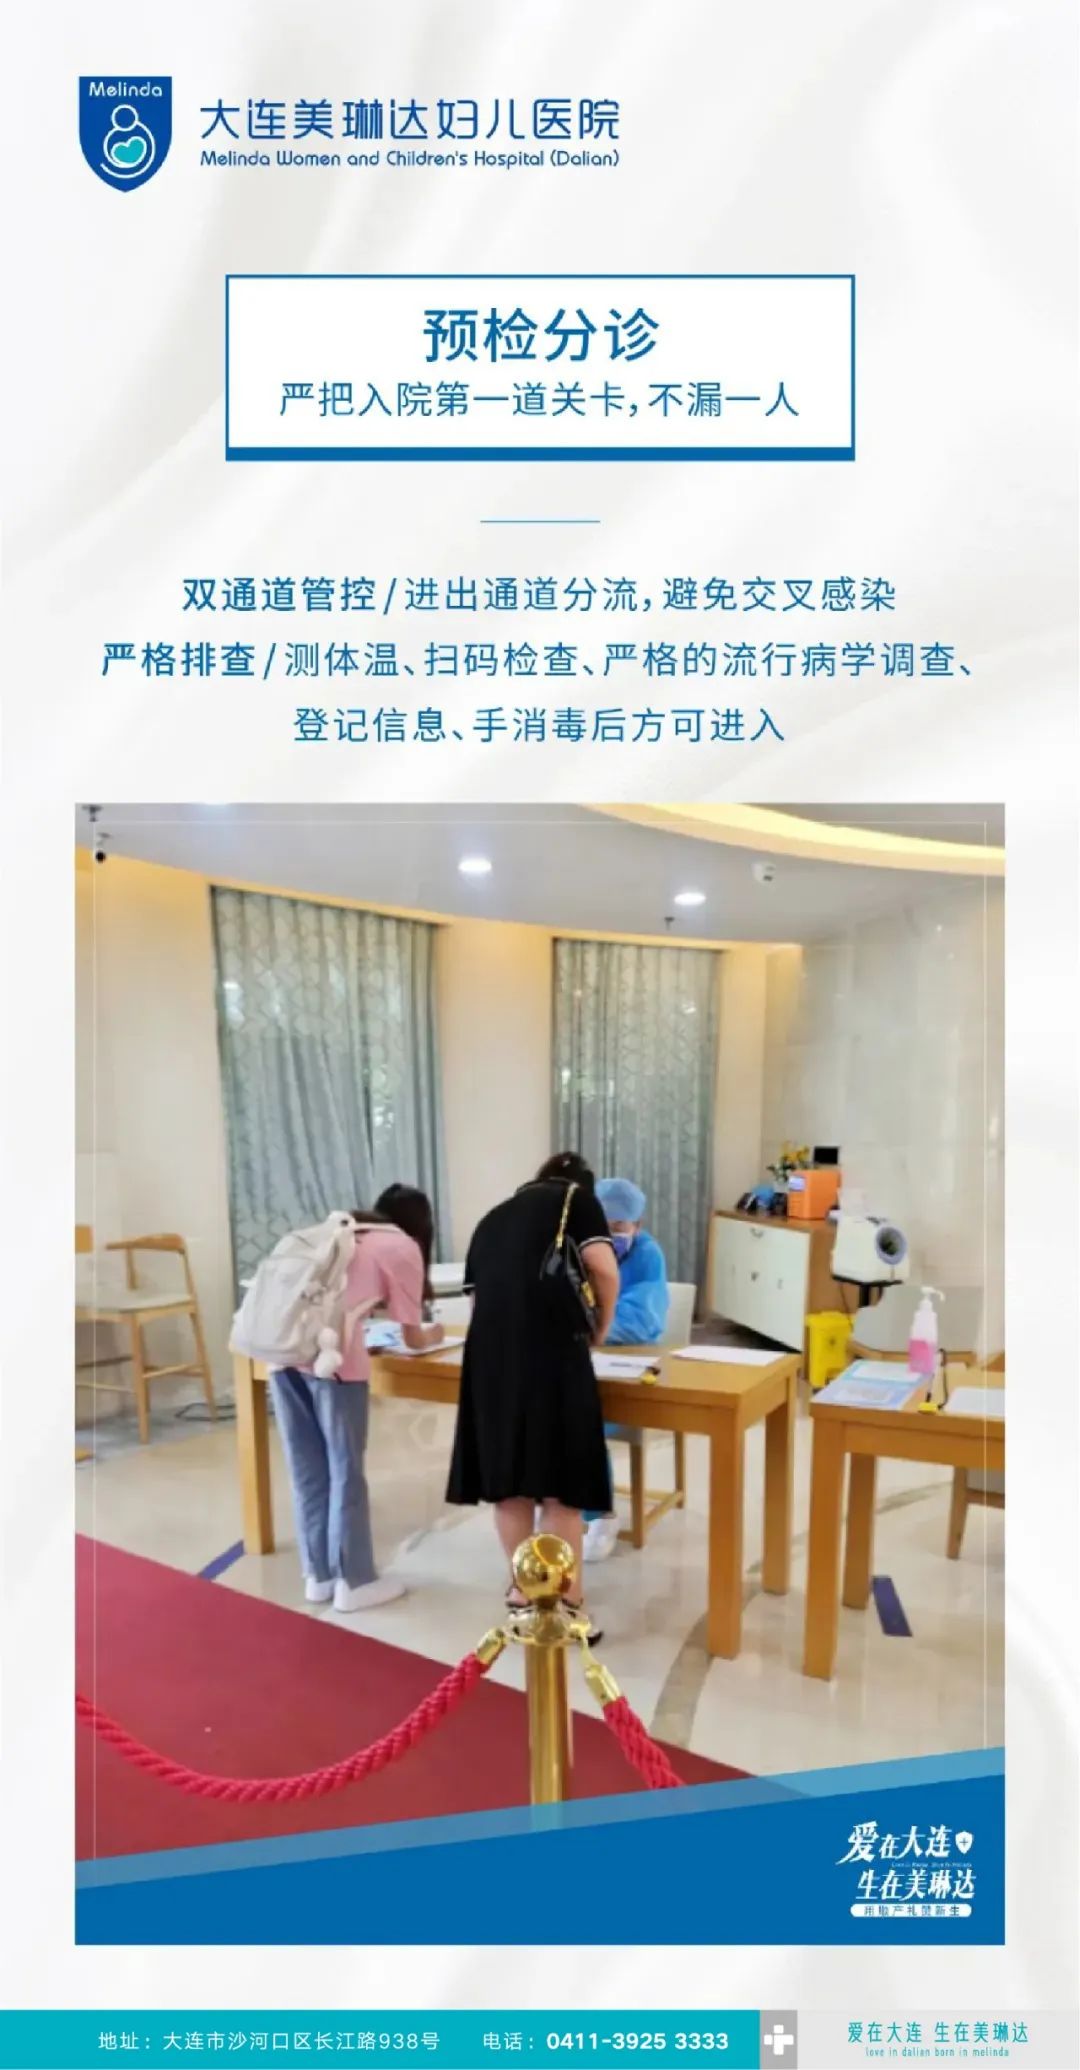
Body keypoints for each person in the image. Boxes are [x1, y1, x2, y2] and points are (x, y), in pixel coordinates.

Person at [446, 1151, 619, 1630]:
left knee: (512, 1486)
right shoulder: (577, 1200)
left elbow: (478, 1300)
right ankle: (568, 1605)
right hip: (552, 1355)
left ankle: (524, 1595)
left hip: (489, 1361)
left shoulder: (492, 1218)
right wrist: (600, 1329)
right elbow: (603, 1269)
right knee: (561, 1489)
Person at [271, 1189, 444, 1614]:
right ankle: (355, 1581)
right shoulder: (402, 1246)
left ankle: (319, 1576)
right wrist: (437, 1333)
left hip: (281, 1353)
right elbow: (413, 1337)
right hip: (335, 1364)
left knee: (308, 1470)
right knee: (345, 1470)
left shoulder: (339, 1229)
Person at [582, 1177, 670, 1564]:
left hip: (631, 1363)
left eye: (619, 1226)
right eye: (603, 1226)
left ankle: (599, 1515)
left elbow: (642, 1319)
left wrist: (588, 1328)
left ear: (638, 1225)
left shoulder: (647, 1255)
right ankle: (552, 1499)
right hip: (582, 1356)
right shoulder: (578, 1249)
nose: (611, 1235)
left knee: (584, 1420)